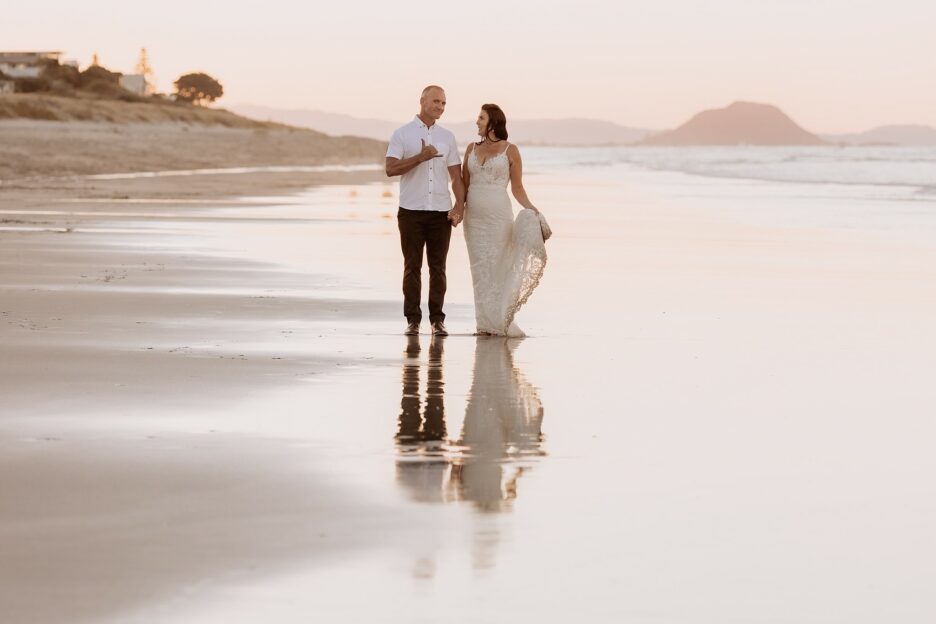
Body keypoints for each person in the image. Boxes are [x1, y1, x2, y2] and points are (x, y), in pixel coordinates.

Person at [385, 85, 465, 336]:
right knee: (412, 267)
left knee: (438, 268)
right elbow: (391, 169)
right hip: (410, 211)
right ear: (422, 101)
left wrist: (458, 206)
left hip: (440, 211)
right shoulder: (402, 134)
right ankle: (413, 320)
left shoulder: (448, 137)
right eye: (435, 101)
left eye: (443, 103)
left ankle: (437, 320)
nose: (439, 107)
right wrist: (420, 157)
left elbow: (456, 176)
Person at [462, 103, 547, 337]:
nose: (477, 122)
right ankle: (484, 325)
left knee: (499, 267)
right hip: (474, 220)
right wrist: (458, 209)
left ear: (493, 121)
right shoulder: (470, 148)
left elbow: (517, 187)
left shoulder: (511, 150)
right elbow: (463, 185)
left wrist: (531, 208)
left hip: (499, 218)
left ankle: (499, 322)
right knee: (479, 271)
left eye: (481, 118)